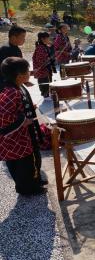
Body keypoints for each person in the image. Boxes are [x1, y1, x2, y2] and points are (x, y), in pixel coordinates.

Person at [0, 57, 46, 195]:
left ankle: (36, 180)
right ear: (20, 76)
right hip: (16, 139)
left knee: (32, 159)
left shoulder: (17, 86)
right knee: (23, 165)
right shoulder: (10, 92)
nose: (29, 73)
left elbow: (18, 107)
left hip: (24, 134)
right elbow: (3, 117)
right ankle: (27, 189)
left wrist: (29, 108)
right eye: (27, 71)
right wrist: (23, 121)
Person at [32, 32, 54, 98]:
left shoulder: (45, 46)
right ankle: (45, 95)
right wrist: (48, 62)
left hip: (46, 69)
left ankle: (48, 94)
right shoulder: (40, 48)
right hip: (42, 71)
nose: (49, 40)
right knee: (44, 83)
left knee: (48, 82)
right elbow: (40, 61)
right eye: (47, 38)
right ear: (42, 39)